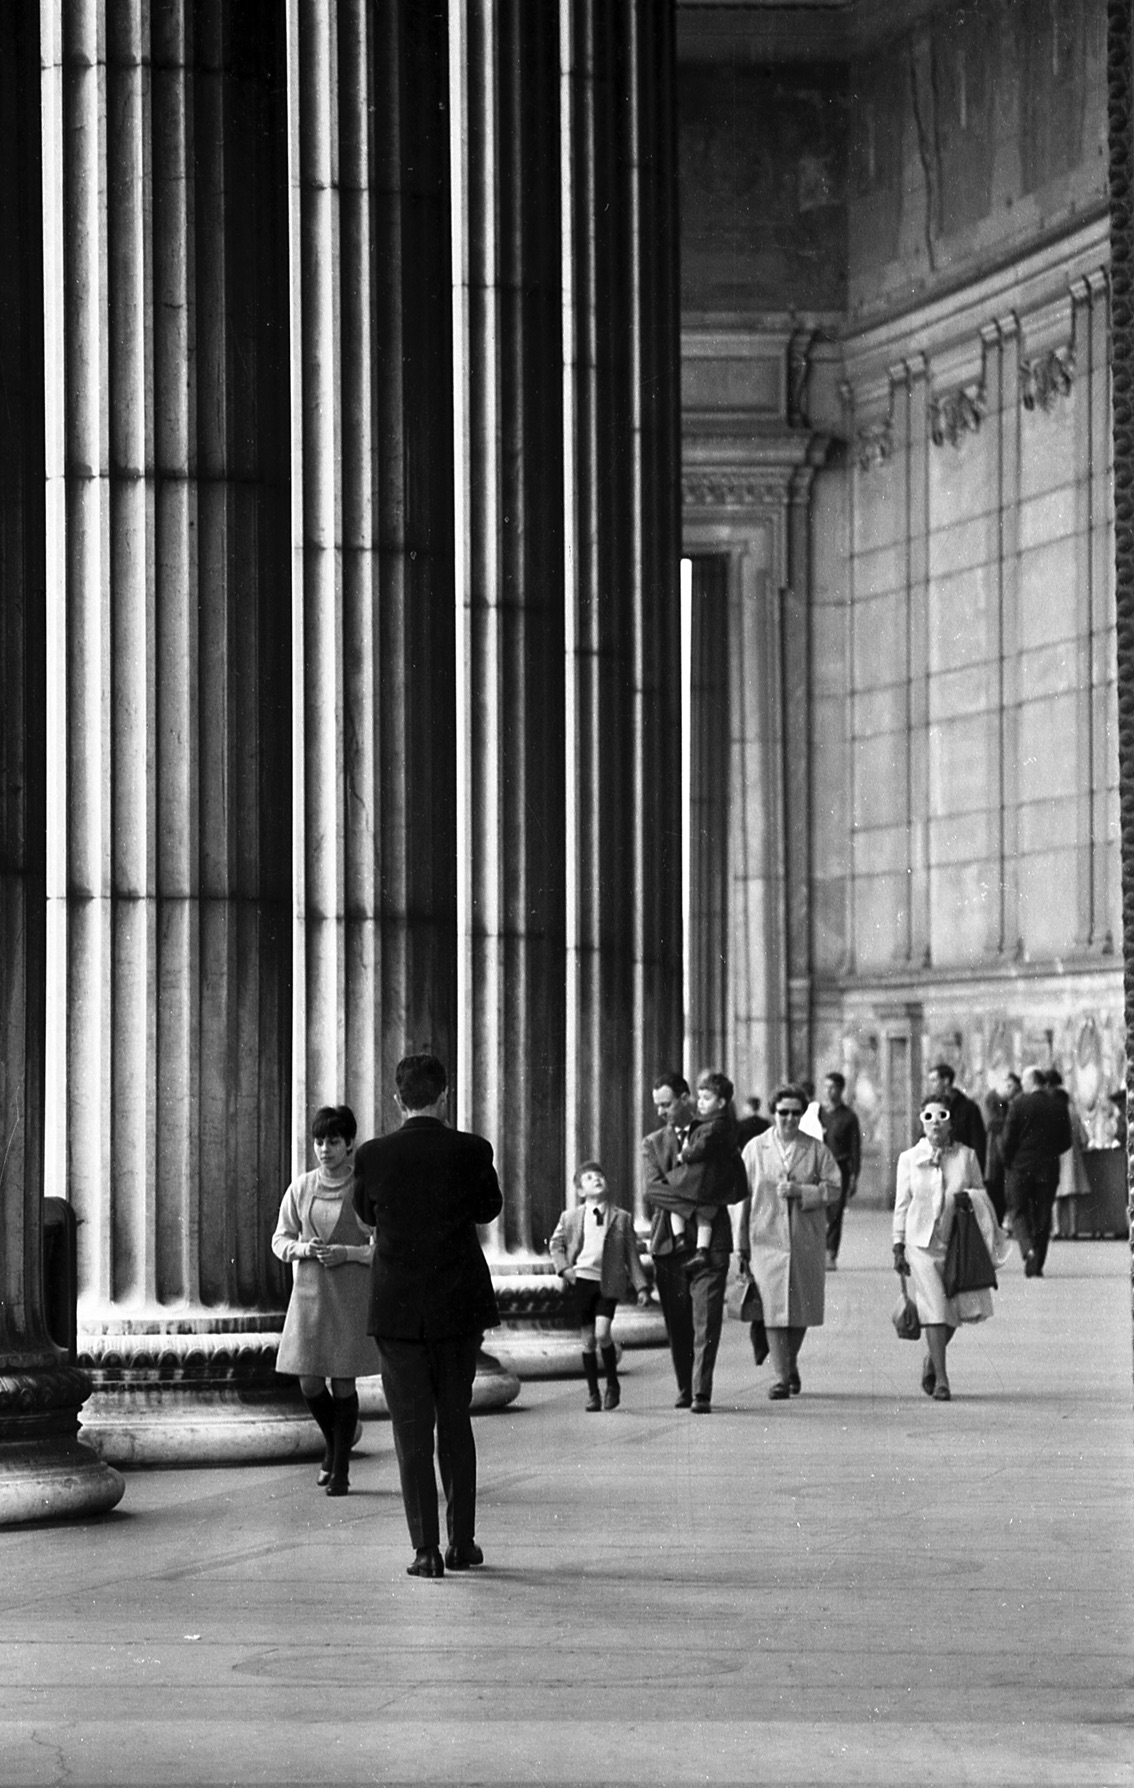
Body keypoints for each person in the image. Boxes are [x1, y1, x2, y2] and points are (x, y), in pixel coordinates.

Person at [352, 1053, 502, 1580]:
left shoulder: (373, 1155)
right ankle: (463, 1541)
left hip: (396, 1309)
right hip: (458, 1304)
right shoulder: (472, 1149)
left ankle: (425, 1550)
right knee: (455, 1419)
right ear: (444, 1095)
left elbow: (365, 1214)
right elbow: (488, 1209)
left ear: (397, 1099)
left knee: (410, 1428)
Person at [272, 1104, 380, 1496]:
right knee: (309, 1381)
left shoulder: (362, 1187)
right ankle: (336, 1444)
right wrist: (302, 1249)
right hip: (310, 1294)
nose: (324, 1148)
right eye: (319, 1141)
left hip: (349, 1291)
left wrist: (347, 1253)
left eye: (333, 1141)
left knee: (344, 1380)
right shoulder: (301, 1187)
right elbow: (280, 1238)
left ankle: (341, 1469)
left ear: (350, 1144)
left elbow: (380, 1246)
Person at [893, 1096, 1010, 1401]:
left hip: (957, 1242)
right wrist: (897, 1244)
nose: (935, 1121)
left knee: (954, 1309)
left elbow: (981, 1194)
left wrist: (967, 1197)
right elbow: (901, 1205)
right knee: (934, 1306)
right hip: (921, 1244)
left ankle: (933, 1359)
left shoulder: (966, 1156)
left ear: (951, 1123)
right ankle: (943, 1380)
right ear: (921, 1121)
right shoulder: (909, 1158)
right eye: (928, 1116)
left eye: (941, 1116)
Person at [737, 1083, 840, 1401]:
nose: (789, 1119)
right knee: (772, 1308)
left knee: (802, 1307)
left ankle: (790, 1361)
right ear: (773, 1112)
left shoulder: (816, 1150)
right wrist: (741, 1243)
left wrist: (803, 1192)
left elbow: (834, 1188)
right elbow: (742, 1198)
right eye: (783, 1112)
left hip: (804, 1238)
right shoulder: (755, 1149)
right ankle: (781, 1377)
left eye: (796, 1113)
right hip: (765, 1237)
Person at [642, 1071, 730, 1414]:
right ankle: (684, 1385)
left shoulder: (713, 1132)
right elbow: (651, 1189)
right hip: (670, 1245)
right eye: (657, 1106)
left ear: (685, 1098)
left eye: (666, 1104)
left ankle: (700, 1392)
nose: (661, 1111)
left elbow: (725, 1179)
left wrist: (677, 1193)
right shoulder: (653, 1143)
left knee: (706, 1319)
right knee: (677, 1322)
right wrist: (696, 1204)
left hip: (712, 1243)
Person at [549, 1161, 650, 1411]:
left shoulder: (622, 1218)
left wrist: (642, 1287)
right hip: (581, 1280)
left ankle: (612, 1384)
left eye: (600, 1176)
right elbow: (556, 1244)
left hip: (608, 1283)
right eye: (589, 1178)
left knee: (602, 1333)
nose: (596, 1180)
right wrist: (565, 1269)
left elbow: (631, 1255)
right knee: (587, 1341)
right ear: (581, 1191)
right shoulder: (570, 1217)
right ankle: (593, 1392)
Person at [669, 1069, 744, 1276]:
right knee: (704, 1217)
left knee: (674, 1201)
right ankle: (701, 1250)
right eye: (700, 1097)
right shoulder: (722, 1123)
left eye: (706, 1098)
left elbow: (701, 1147)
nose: (700, 1102)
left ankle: (680, 1238)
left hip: (704, 1179)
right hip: (712, 1181)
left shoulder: (714, 1126)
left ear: (720, 1104)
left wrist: (684, 1155)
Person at [1001, 1065, 1072, 1276]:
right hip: (1048, 1169)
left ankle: (1027, 1248)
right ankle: (1037, 1263)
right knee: (1043, 1215)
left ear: (1032, 1082)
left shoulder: (1018, 1104)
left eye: (1024, 1081)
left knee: (1018, 1210)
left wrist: (1009, 1161)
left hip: (1021, 1167)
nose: (1022, 1085)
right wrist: (1050, 1153)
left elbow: (1008, 1140)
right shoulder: (1059, 1105)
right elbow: (1066, 1141)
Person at [818, 1071, 861, 1272]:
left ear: (841, 1090)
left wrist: (854, 1176)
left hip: (840, 1167)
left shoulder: (849, 1117)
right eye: (826, 1086)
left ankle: (830, 1253)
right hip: (818, 1168)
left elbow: (855, 1148)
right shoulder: (818, 1114)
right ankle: (818, 1251)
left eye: (833, 1087)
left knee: (835, 1213)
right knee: (819, 1210)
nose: (828, 1091)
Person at [916, 1062, 987, 1171]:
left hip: (960, 1167)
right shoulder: (929, 1108)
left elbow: (978, 1144)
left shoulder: (969, 1108)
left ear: (946, 1081)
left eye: (934, 1080)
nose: (931, 1085)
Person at [982, 1072, 1021, 1223]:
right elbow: (992, 1123)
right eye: (1012, 1089)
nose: (1013, 1095)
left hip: (1000, 1152)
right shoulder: (992, 1100)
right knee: (995, 1186)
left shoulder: (1004, 1103)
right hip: (994, 1153)